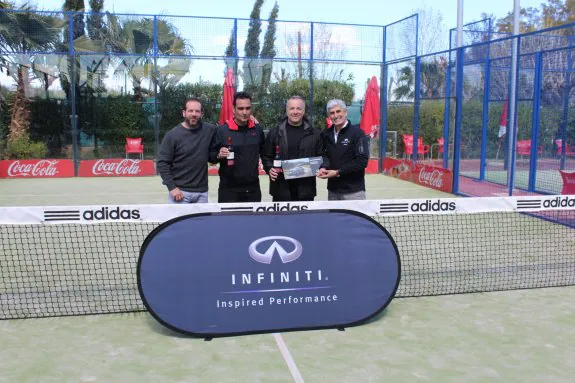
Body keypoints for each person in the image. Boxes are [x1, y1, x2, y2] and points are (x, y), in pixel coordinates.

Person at [157, 97, 220, 203]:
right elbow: (162, 163)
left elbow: (226, 130)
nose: (194, 114)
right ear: (184, 113)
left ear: (202, 114)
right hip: (180, 193)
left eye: (197, 111)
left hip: (202, 194)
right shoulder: (172, 135)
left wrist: (250, 121)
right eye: (190, 111)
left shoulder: (210, 130)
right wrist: (172, 188)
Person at [262, 96, 323, 201]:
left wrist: (323, 167)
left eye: (299, 108)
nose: (295, 112)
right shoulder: (274, 133)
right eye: (292, 108)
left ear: (304, 111)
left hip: (306, 191)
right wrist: (269, 168)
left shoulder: (315, 134)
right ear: (287, 110)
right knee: (281, 218)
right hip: (280, 190)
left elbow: (323, 156)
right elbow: (266, 157)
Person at [216, 91, 266, 203]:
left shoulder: (257, 130)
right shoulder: (222, 130)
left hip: (253, 190)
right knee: (229, 221)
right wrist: (219, 154)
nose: (244, 112)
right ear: (233, 109)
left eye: (248, 108)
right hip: (228, 191)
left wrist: (270, 168)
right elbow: (211, 155)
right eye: (240, 108)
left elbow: (265, 153)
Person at [317, 99, 369, 200]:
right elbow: (324, 155)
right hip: (333, 191)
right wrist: (323, 167)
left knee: (355, 217)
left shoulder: (358, 133)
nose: (336, 115)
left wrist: (337, 172)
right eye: (332, 113)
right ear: (329, 116)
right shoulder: (325, 134)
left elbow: (362, 161)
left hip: (354, 192)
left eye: (338, 111)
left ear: (345, 112)